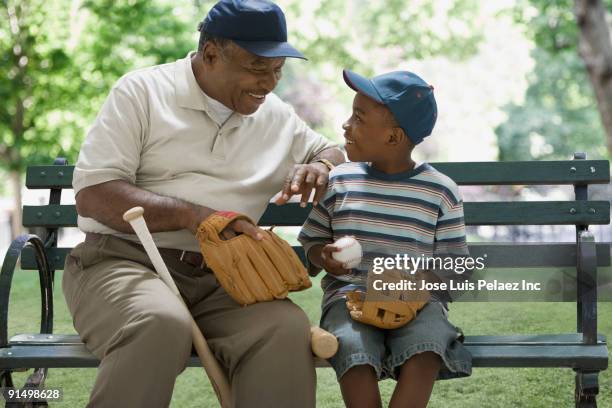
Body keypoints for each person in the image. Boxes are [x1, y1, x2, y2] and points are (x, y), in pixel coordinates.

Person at [63, 0, 344, 406]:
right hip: (124, 263)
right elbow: (94, 194)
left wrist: (320, 165)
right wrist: (195, 217)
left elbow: (333, 151)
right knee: (158, 323)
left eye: (277, 71)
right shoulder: (142, 92)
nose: (268, 84)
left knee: (284, 329)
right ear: (211, 53)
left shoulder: (276, 116)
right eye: (256, 67)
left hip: (227, 279)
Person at [298, 69, 472, 408]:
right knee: (350, 346)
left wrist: (415, 285)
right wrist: (325, 256)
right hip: (349, 300)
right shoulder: (340, 181)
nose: (346, 125)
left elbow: (457, 266)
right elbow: (313, 243)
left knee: (427, 347)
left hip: (418, 303)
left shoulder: (439, 190)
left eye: (358, 118)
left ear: (393, 138)